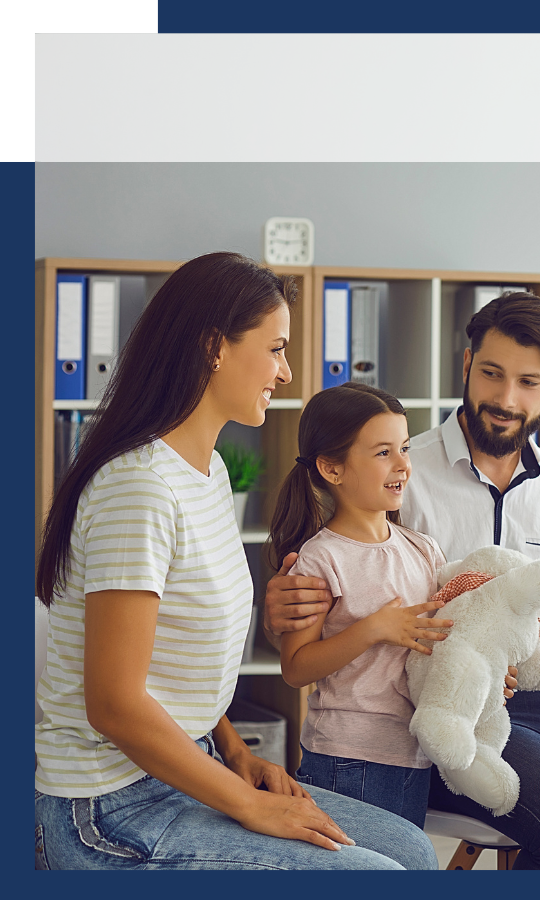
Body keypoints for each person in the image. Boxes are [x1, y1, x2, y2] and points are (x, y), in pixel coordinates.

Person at [34, 252, 438, 871]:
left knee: (410, 850)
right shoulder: (138, 487)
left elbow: (171, 662)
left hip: (188, 766)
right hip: (107, 806)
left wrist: (235, 752)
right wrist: (248, 806)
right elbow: (113, 703)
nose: (286, 369)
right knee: (373, 874)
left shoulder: (208, 471)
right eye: (275, 349)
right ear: (213, 347)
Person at [263, 292, 540, 869]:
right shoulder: (395, 469)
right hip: (463, 709)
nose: (506, 399)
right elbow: (322, 585)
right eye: (491, 374)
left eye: (529, 383)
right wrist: (282, 606)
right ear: (466, 366)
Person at [270, 380, 515, 829]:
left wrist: (489, 670)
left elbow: (448, 634)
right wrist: (373, 629)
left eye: (404, 448)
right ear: (332, 468)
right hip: (349, 758)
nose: (403, 463)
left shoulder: (423, 549)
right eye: (383, 452)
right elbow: (296, 668)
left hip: (413, 753)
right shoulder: (320, 558)